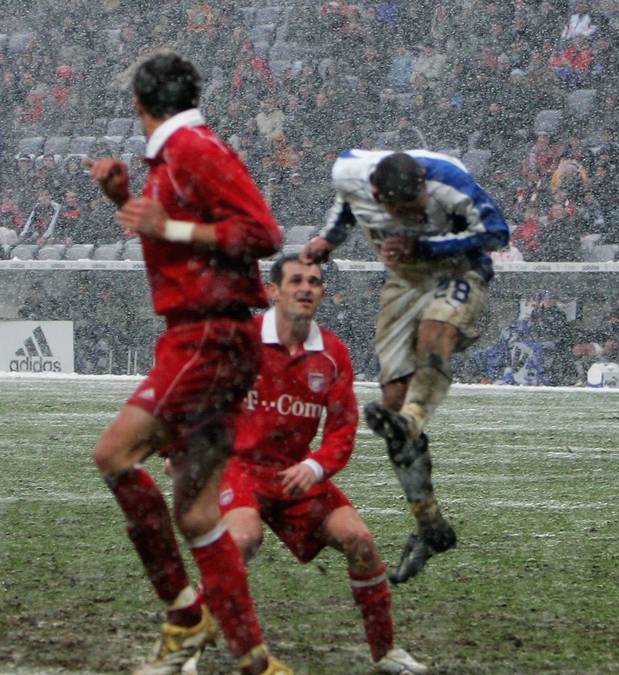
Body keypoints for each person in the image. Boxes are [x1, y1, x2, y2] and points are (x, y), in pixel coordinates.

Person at [88, 53, 288, 674]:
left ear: (139, 106)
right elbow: (177, 232)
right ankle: (255, 661)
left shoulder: (195, 149)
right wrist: (127, 198)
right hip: (213, 338)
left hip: (207, 337)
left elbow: (264, 233)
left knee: (114, 455)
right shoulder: (176, 157)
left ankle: (183, 614)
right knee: (200, 512)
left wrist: (170, 228)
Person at [300, 149, 509, 583]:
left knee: (435, 334)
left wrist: (426, 243)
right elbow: (346, 200)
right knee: (392, 401)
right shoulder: (351, 173)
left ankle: (414, 417)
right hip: (405, 282)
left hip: (458, 271)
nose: (414, 214)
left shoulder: (448, 181)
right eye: (404, 212)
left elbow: (497, 230)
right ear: (380, 196)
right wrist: (329, 239)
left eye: (418, 206)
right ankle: (429, 524)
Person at [217, 255, 429, 674]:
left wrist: (314, 467)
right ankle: (194, 641)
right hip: (239, 466)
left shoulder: (332, 354)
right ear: (272, 290)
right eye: (296, 280)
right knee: (241, 540)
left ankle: (385, 652)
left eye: (314, 281)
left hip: (295, 472)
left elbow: (341, 432)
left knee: (360, 540)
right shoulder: (241, 340)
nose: (306, 288)